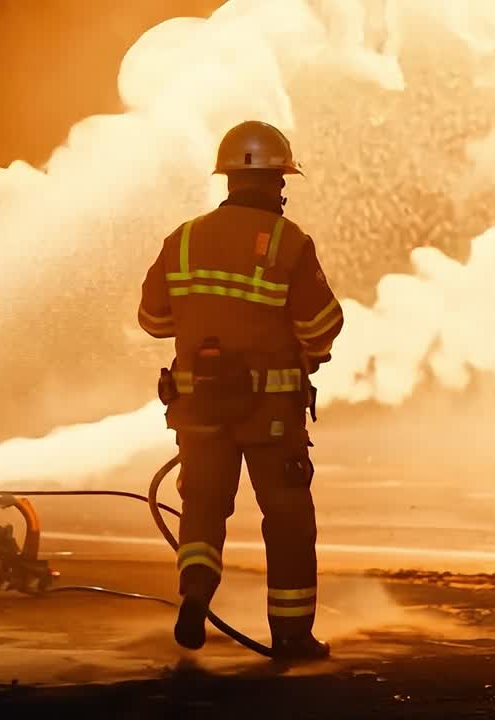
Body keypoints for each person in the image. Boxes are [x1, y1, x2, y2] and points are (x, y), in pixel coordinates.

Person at [137, 120, 343, 658]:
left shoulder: (181, 239)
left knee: (202, 508)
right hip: (269, 414)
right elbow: (322, 326)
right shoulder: (289, 242)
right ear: (278, 180)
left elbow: (153, 319)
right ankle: (292, 635)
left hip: (197, 407)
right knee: (288, 518)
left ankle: (196, 595)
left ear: (227, 179)